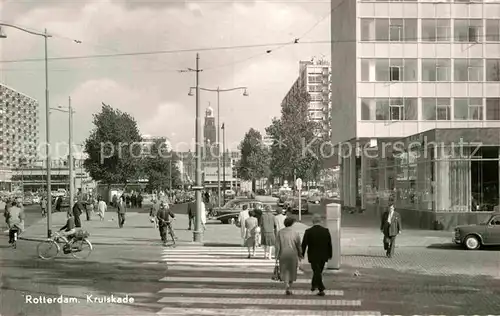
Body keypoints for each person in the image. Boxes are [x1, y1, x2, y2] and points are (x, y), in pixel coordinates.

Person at [301, 214, 332, 296]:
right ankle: (316, 286)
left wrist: (302, 254)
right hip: (323, 254)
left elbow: (304, 244)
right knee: (319, 271)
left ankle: (318, 287)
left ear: (312, 221)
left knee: (316, 271)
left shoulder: (308, 231)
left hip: (313, 254)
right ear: (320, 221)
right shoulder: (326, 231)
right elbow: (329, 244)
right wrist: (330, 254)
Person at [275, 217, 303, 295]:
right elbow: (298, 245)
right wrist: (300, 254)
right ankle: (289, 286)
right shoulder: (295, 233)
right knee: (292, 271)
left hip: (283, 254)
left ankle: (286, 285)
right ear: (292, 224)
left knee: (284, 271)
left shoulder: (280, 232)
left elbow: (277, 246)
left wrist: (276, 256)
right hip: (293, 255)